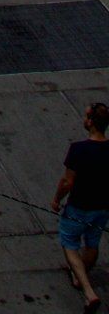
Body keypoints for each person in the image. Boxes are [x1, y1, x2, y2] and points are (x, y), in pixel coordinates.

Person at [55, 102, 109, 307]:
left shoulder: (79, 150)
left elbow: (67, 182)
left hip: (78, 207)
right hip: (102, 209)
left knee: (69, 244)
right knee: (92, 243)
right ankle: (80, 276)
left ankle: (88, 290)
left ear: (91, 123)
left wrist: (56, 200)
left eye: (87, 117)